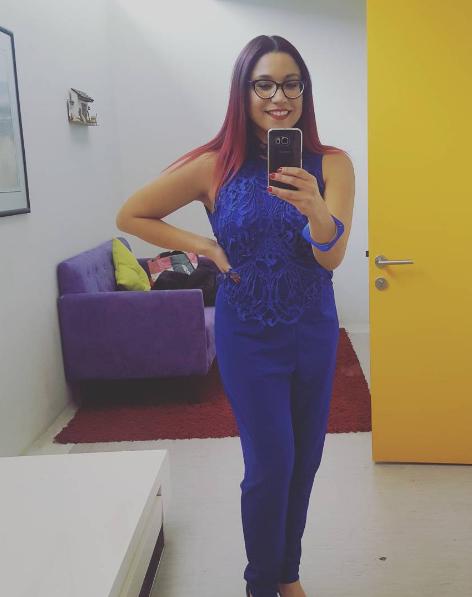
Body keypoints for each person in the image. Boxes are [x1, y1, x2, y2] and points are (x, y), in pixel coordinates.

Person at [116, 34, 355, 597]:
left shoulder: (332, 164)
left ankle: (287, 573)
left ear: (305, 92)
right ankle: (260, 585)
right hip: (247, 332)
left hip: (312, 328)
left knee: (305, 461)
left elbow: (331, 256)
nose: (279, 96)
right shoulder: (214, 166)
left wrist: (316, 208)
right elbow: (133, 214)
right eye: (263, 84)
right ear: (243, 92)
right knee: (270, 464)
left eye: (291, 84)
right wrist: (205, 245)